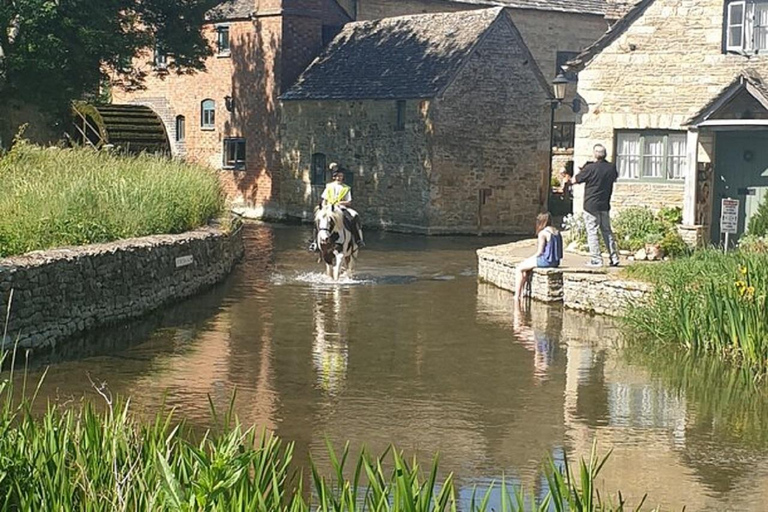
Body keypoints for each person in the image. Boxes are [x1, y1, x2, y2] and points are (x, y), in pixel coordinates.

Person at [565, 144, 620, 268]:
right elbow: (613, 177)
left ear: (595, 154)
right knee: (607, 231)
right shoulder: (611, 168)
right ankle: (614, 257)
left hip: (591, 205)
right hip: (604, 204)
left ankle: (596, 259)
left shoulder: (590, 168)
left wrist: (582, 170)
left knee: (592, 232)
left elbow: (574, 180)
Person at [309, 163, 364, 251]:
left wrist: (341, 203)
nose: (339, 178)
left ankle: (357, 239)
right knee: (318, 220)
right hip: (328, 207)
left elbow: (349, 202)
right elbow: (324, 199)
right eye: (337, 176)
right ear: (334, 177)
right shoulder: (329, 186)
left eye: (341, 176)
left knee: (352, 217)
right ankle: (315, 242)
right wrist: (324, 207)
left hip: (340, 207)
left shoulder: (346, 188)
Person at [515, 212, 563, 301]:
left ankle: (517, 295)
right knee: (525, 270)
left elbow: (539, 252)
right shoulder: (557, 231)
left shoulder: (543, 233)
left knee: (519, 268)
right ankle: (523, 293)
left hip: (545, 261)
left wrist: (529, 259)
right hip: (555, 262)